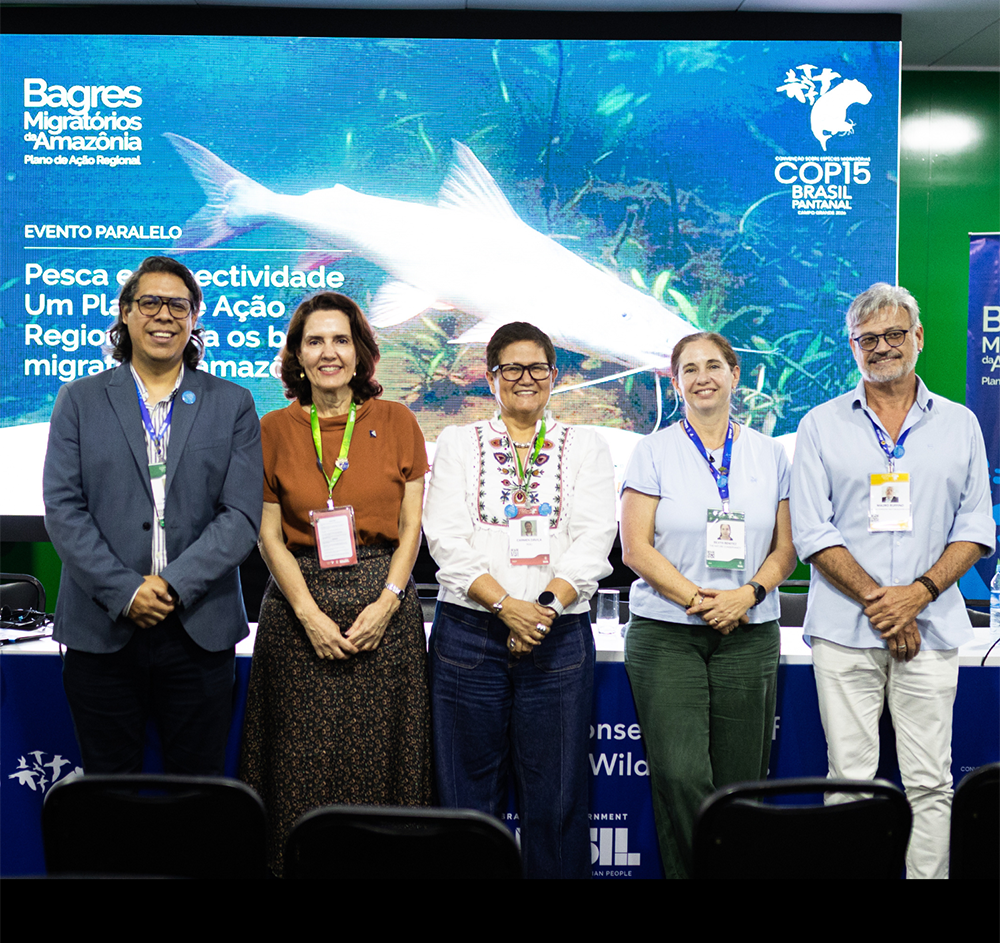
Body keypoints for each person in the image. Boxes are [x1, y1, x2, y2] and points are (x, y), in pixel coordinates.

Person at [791, 282, 994, 879]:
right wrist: (885, 604)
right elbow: (811, 531)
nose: (882, 347)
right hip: (843, 630)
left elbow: (978, 526)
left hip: (930, 626)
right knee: (849, 779)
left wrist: (918, 596)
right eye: (868, 338)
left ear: (919, 337)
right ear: (853, 346)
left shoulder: (960, 425)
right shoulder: (819, 425)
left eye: (894, 334)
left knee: (931, 779)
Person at [43, 255, 262, 775]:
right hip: (102, 628)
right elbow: (63, 509)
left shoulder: (231, 403)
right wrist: (126, 591)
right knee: (107, 793)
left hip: (199, 630)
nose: (164, 315)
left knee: (197, 794)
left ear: (193, 319)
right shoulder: (78, 399)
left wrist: (170, 586)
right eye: (150, 302)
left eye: (179, 306)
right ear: (124, 314)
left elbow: (240, 515)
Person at [239, 291, 430, 874]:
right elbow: (268, 535)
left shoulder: (397, 420)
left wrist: (388, 603)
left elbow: (411, 526)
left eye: (341, 340)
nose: (329, 353)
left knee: (386, 768)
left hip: (385, 606)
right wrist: (309, 615)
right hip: (299, 613)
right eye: (315, 340)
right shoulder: (271, 427)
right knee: (296, 768)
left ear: (360, 352)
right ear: (297, 354)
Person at [423, 321, 617, 879]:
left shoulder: (586, 445)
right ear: (491, 379)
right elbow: (446, 541)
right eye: (512, 368)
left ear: (554, 377)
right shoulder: (460, 443)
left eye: (537, 368)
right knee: (465, 804)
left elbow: (594, 538)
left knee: (555, 803)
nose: (525, 378)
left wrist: (545, 609)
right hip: (469, 636)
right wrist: (507, 605)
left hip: (558, 637)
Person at [619, 331, 796, 879]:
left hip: (750, 629)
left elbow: (787, 549)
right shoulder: (652, 451)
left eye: (714, 365)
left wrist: (748, 595)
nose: (703, 378)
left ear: (735, 374)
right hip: (667, 630)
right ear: (676, 383)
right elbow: (635, 547)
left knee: (740, 787)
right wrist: (698, 600)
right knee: (679, 774)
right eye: (689, 369)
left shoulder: (771, 454)